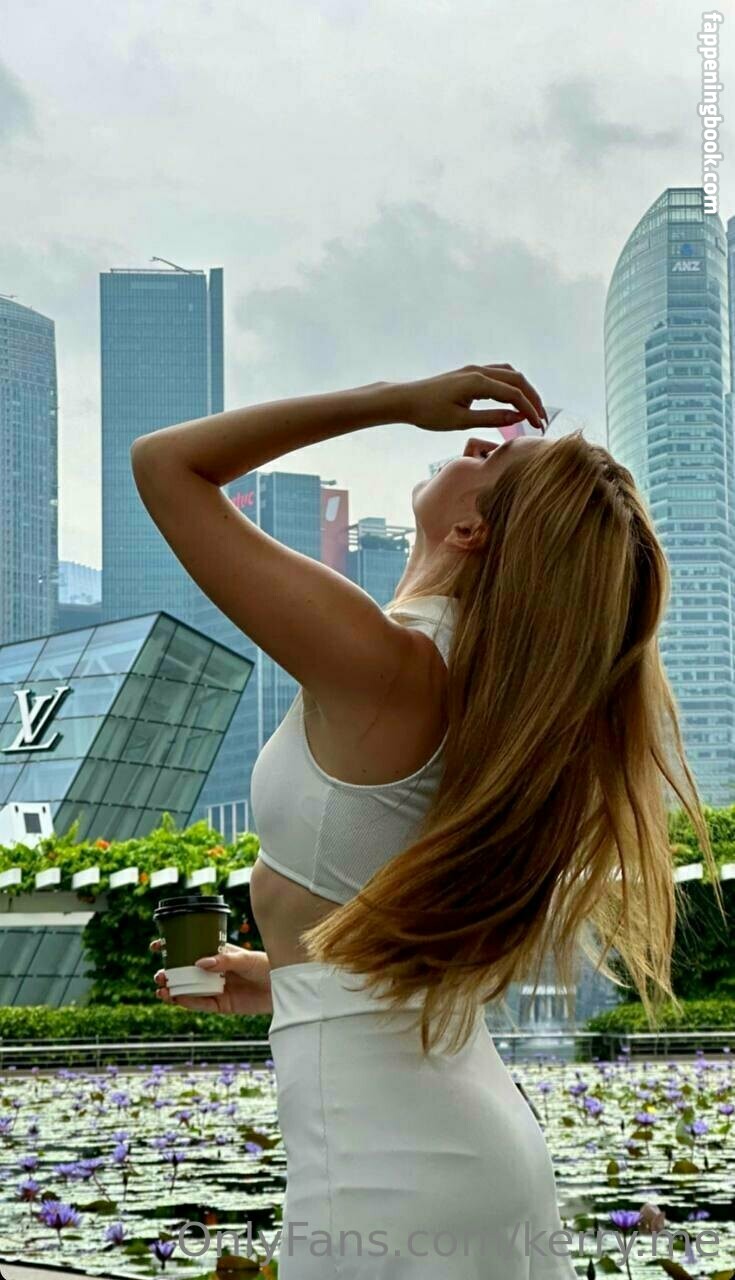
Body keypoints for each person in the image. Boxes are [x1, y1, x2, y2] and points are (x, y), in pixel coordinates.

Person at [137, 364, 720, 1277]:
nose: (470, 440)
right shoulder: (489, 710)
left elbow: (164, 465)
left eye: (488, 457)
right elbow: (400, 904)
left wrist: (389, 400)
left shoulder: (385, 666)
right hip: (447, 1148)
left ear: (470, 530)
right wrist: (290, 982)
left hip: (386, 1173)